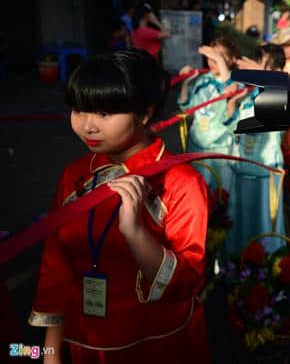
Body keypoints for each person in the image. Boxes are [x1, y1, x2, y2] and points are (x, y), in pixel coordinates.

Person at [29, 50, 210, 363]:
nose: (87, 126)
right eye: (79, 110)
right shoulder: (75, 174)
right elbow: (56, 263)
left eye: (104, 113)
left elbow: (187, 282)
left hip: (154, 343)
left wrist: (135, 232)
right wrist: (50, 352)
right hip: (84, 337)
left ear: (144, 113)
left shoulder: (180, 181)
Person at [226, 47, 287, 256]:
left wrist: (260, 75)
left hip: (265, 174)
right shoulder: (248, 93)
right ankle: (236, 269)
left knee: (264, 227)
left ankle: (267, 272)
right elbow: (231, 126)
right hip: (242, 170)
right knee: (240, 223)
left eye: (261, 64)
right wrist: (233, 101)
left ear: (276, 70)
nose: (253, 69)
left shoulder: (281, 94)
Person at [178, 37, 246, 196]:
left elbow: (229, 90)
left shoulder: (237, 82)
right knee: (196, 193)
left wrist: (220, 61)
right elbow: (186, 108)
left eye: (217, 58)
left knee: (219, 195)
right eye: (210, 57)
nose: (212, 61)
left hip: (219, 149)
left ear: (231, 60)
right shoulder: (203, 79)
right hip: (196, 144)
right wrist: (186, 82)